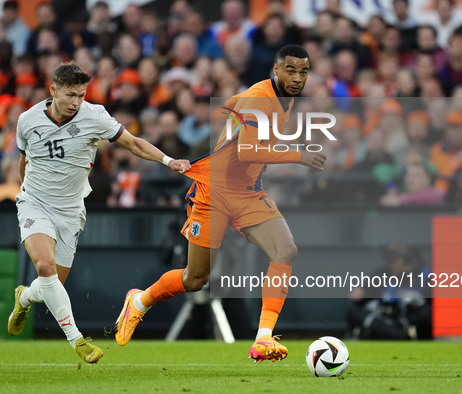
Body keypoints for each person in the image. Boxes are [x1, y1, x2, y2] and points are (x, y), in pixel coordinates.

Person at [114, 45, 326, 363]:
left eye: (304, 72)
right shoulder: (259, 98)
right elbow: (247, 150)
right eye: (292, 70)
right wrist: (298, 154)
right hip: (214, 191)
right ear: (277, 68)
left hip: (247, 191)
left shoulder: (285, 99)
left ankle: (263, 339)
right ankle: (140, 301)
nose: (298, 78)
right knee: (195, 279)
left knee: (286, 250)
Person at [6, 62, 191, 363]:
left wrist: (168, 160)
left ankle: (24, 297)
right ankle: (78, 341)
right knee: (45, 266)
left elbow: (132, 144)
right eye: (70, 95)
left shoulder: (95, 116)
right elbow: (24, 161)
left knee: (53, 285)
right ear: (53, 91)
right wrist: (26, 193)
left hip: (70, 211)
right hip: (34, 204)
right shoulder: (27, 120)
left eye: (81, 95)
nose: (76, 102)